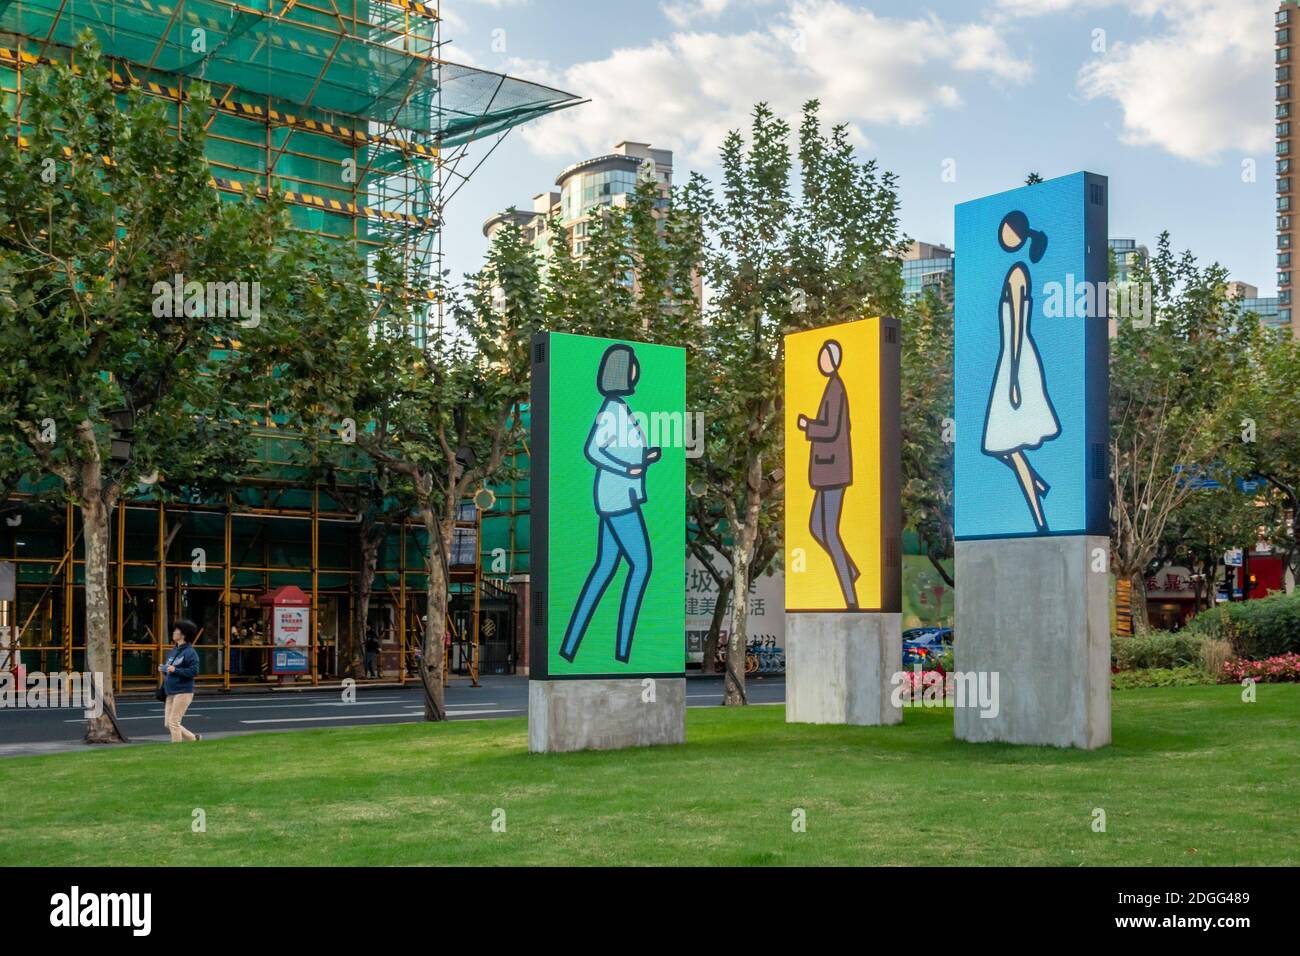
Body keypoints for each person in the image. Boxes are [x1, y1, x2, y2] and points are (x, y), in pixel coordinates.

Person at [560, 344, 661, 664]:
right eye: (631, 366)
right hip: (618, 500)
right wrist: (628, 468)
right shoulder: (611, 410)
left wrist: (645, 459)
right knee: (642, 566)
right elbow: (593, 450)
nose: (635, 372)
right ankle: (622, 651)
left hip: (617, 497)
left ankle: (570, 646)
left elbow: (622, 452)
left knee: (605, 568)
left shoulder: (620, 408)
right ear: (621, 371)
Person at [982, 210, 1060, 531]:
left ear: (1017, 234)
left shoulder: (1017, 273)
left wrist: (1014, 377)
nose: (1002, 235)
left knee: (1004, 445)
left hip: (1016, 359)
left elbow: (1017, 328)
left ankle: (1040, 519)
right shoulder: (1012, 271)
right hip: (1010, 358)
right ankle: (1038, 486)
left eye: (1006, 230)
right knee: (997, 446)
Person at [797, 339, 860, 609]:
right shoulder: (831, 387)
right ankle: (851, 570)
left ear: (833, 360)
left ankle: (850, 597)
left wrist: (806, 425)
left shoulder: (836, 387)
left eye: (825, 355)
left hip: (833, 469)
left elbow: (832, 429)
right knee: (815, 527)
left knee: (829, 532)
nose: (821, 359)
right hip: (826, 470)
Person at [159, 619, 201, 743]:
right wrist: (164, 669)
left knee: (173, 722)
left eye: (176, 630)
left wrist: (175, 670)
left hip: (183, 691)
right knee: (168, 723)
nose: (174, 632)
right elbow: (171, 669)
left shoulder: (190, 652)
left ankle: (176, 749)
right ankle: (193, 739)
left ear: (184, 634)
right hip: (171, 691)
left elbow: (194, 672)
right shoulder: (174, 651)